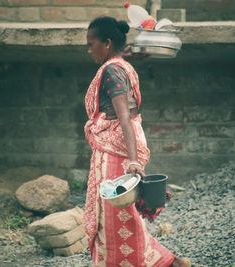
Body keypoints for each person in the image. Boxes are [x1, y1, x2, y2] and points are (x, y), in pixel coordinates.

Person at [84, 16, 191, 267]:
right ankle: (170, 263)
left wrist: (132, 161)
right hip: (118, 151)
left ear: (107, 43)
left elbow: (124, 115)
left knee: (115, 220)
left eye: (92, 44)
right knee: (124, 216)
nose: (89, 50)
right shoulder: (119, 65)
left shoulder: (112, 70)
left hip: (116, 155)